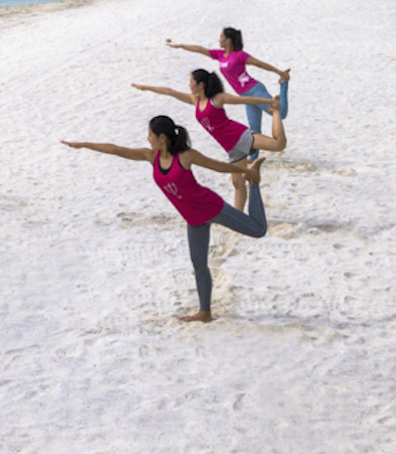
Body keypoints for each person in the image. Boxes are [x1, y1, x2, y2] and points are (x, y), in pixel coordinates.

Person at [62, 116, 267, 323]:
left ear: (162, 137)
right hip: (193, 218)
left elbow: (216, 166)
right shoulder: (151, 156)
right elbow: (116, 149)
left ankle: (255, 183)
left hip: (211, 207)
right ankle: (205, 312)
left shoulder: (186, 156)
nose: (147, 138)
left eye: (150, 134)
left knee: (258, 230)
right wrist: (84, 145)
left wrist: (245, 172)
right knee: (199, 265)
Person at [132, 69, 285, 207]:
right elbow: (170, 91)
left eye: (192, 82)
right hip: (230, 146)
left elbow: (244, 100)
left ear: (201, 85)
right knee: (237, 183)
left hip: (238, 135)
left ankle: (276, 112)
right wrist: (146, 88)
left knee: (279, 145)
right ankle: (239, 216)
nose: (189, 85)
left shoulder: (217, 99)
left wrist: (269, 102)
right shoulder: (195, 100)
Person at [167, 27, 289, 135]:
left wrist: (280, 73)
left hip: (254, 89)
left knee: (280, 113)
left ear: (228, 40)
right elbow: (200, 49)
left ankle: (284, 84)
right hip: (244, 96)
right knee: (254, 129)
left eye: (221, 37)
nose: (219, 40)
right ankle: (253, 158)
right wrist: (181, 46)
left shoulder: (240, 55)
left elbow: (260, 64)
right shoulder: (220, 55)